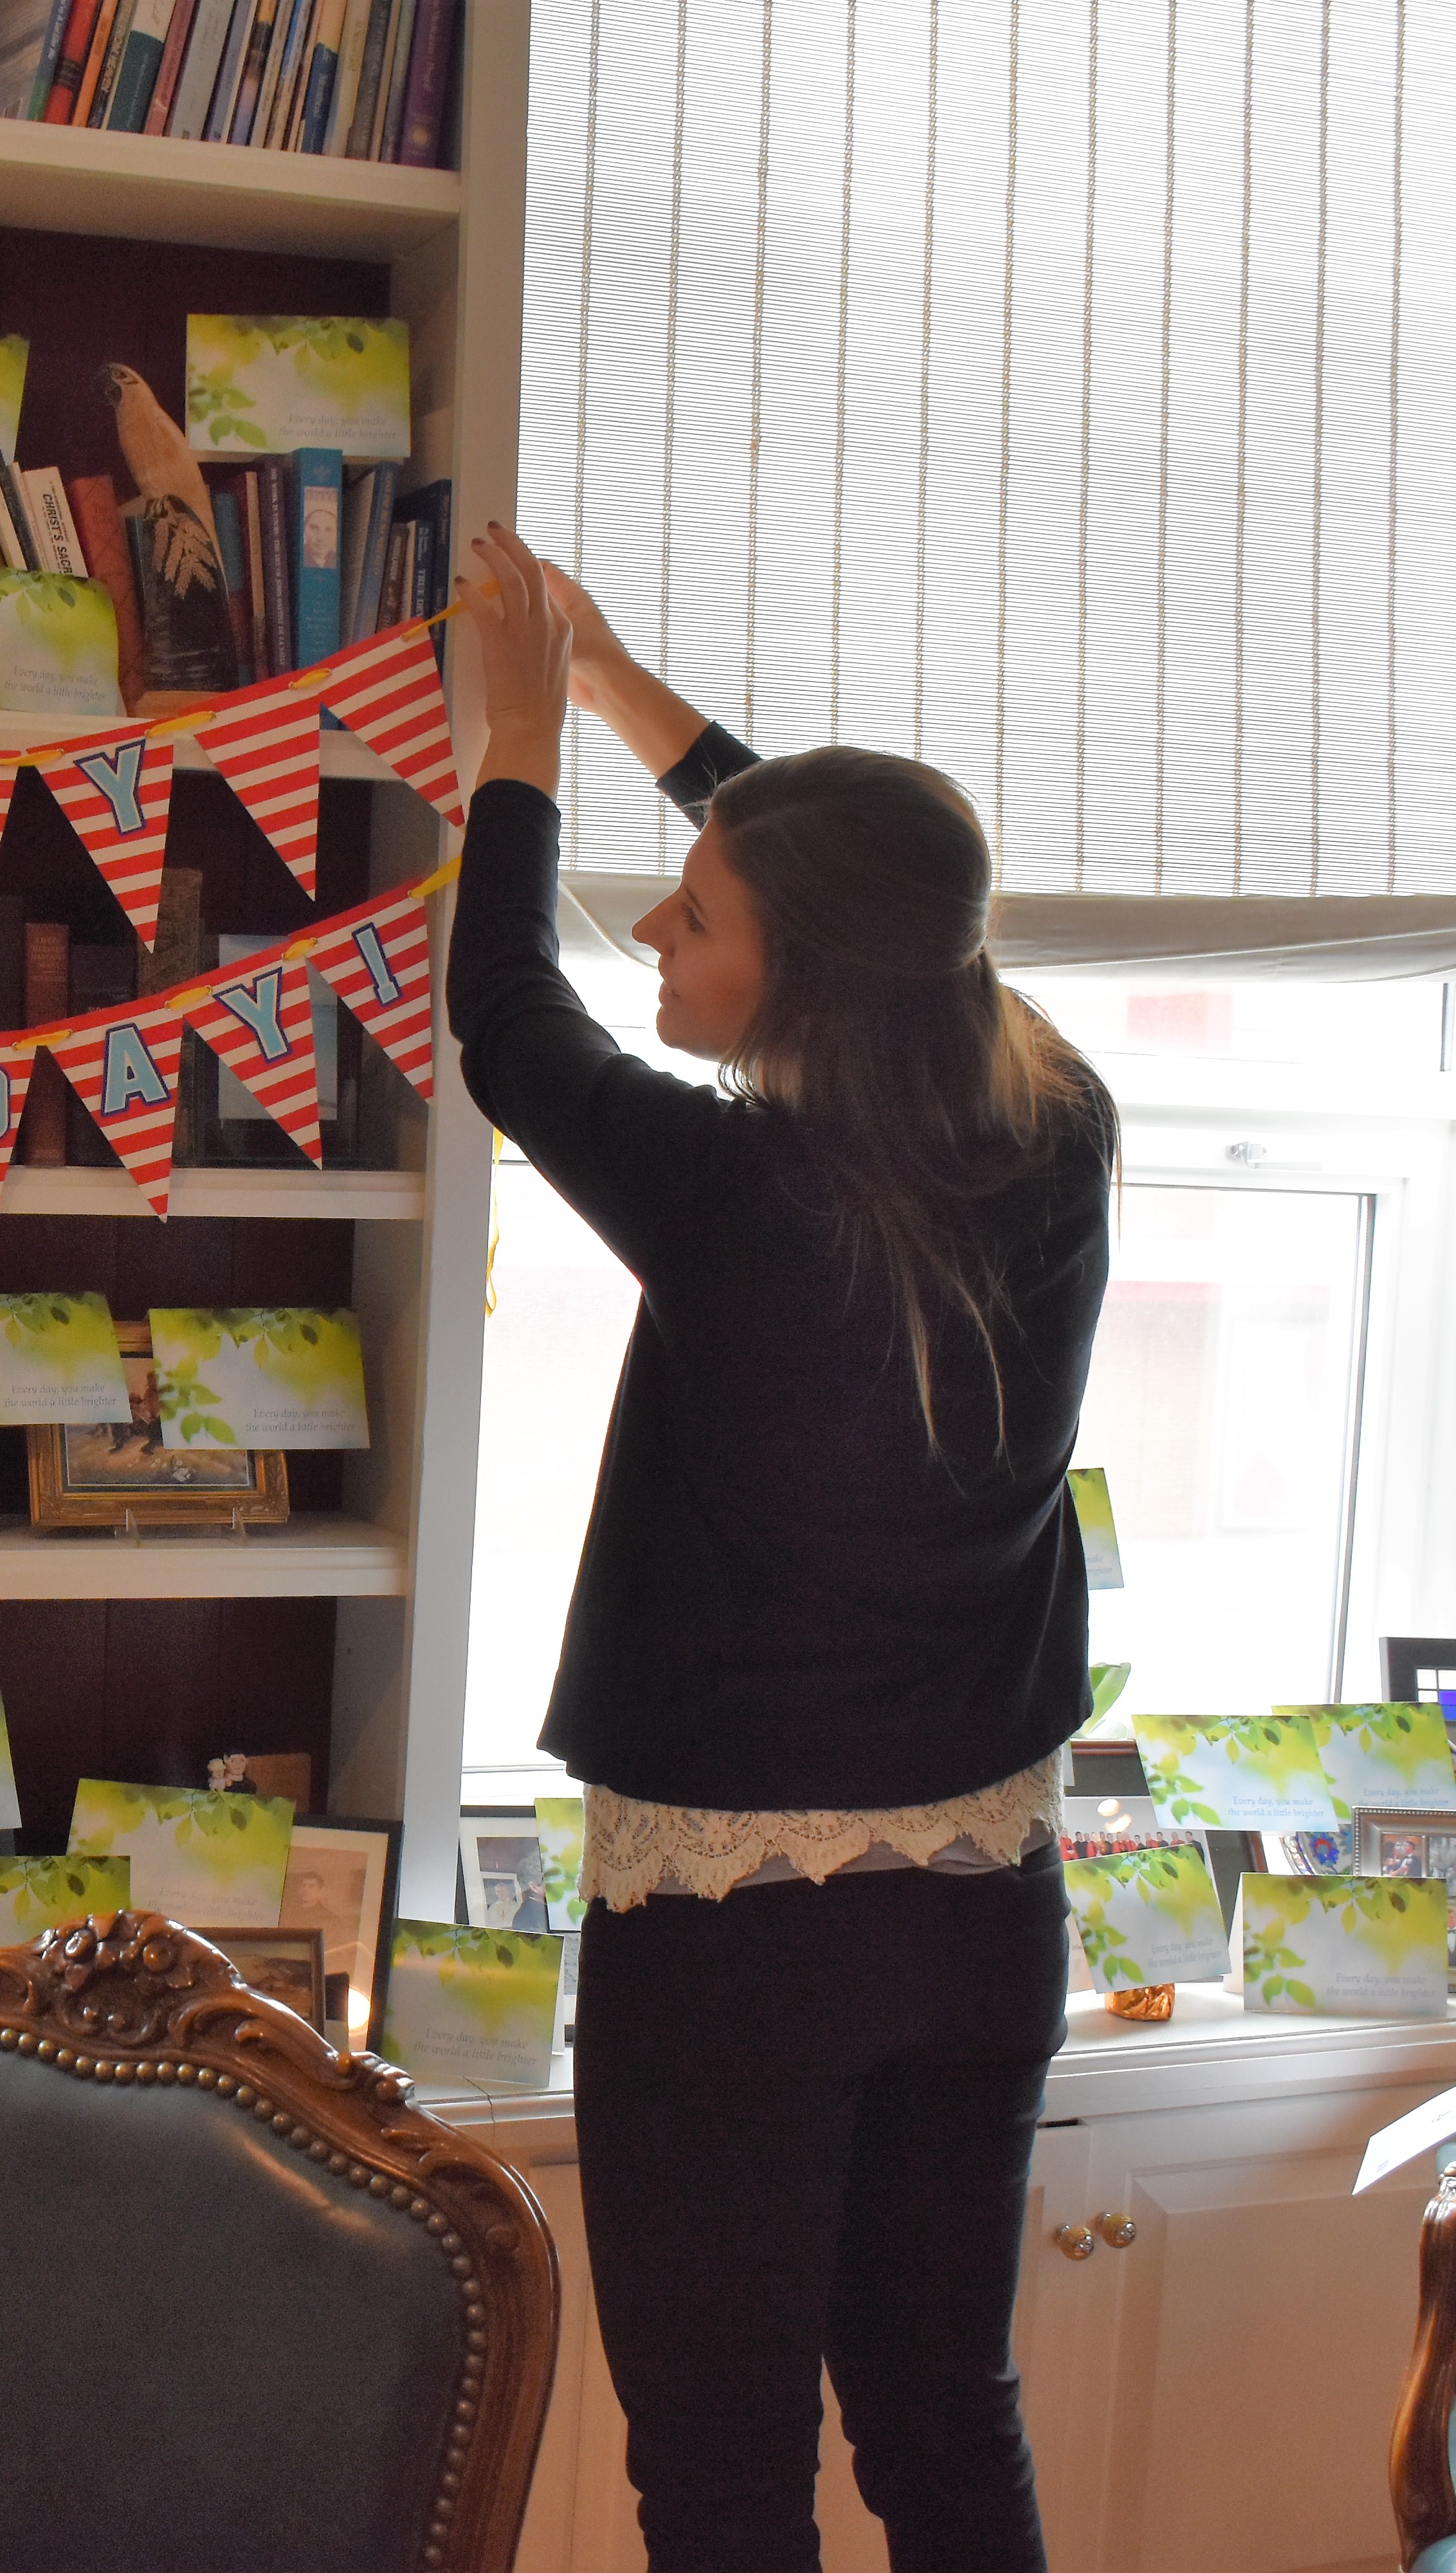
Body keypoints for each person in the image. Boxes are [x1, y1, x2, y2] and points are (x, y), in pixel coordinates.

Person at [449, 524, 1116, 2571]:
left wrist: (523, 744)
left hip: (738, 1940)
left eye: (699, 912)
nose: (654, 927)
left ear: (799, 970)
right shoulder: (1053, 1127)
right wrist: (640, 690)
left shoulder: (738, 1187)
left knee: (725, 2466)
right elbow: (878, 897)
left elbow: (504, 1022)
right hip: (976, 1906)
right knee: (941, 2417)